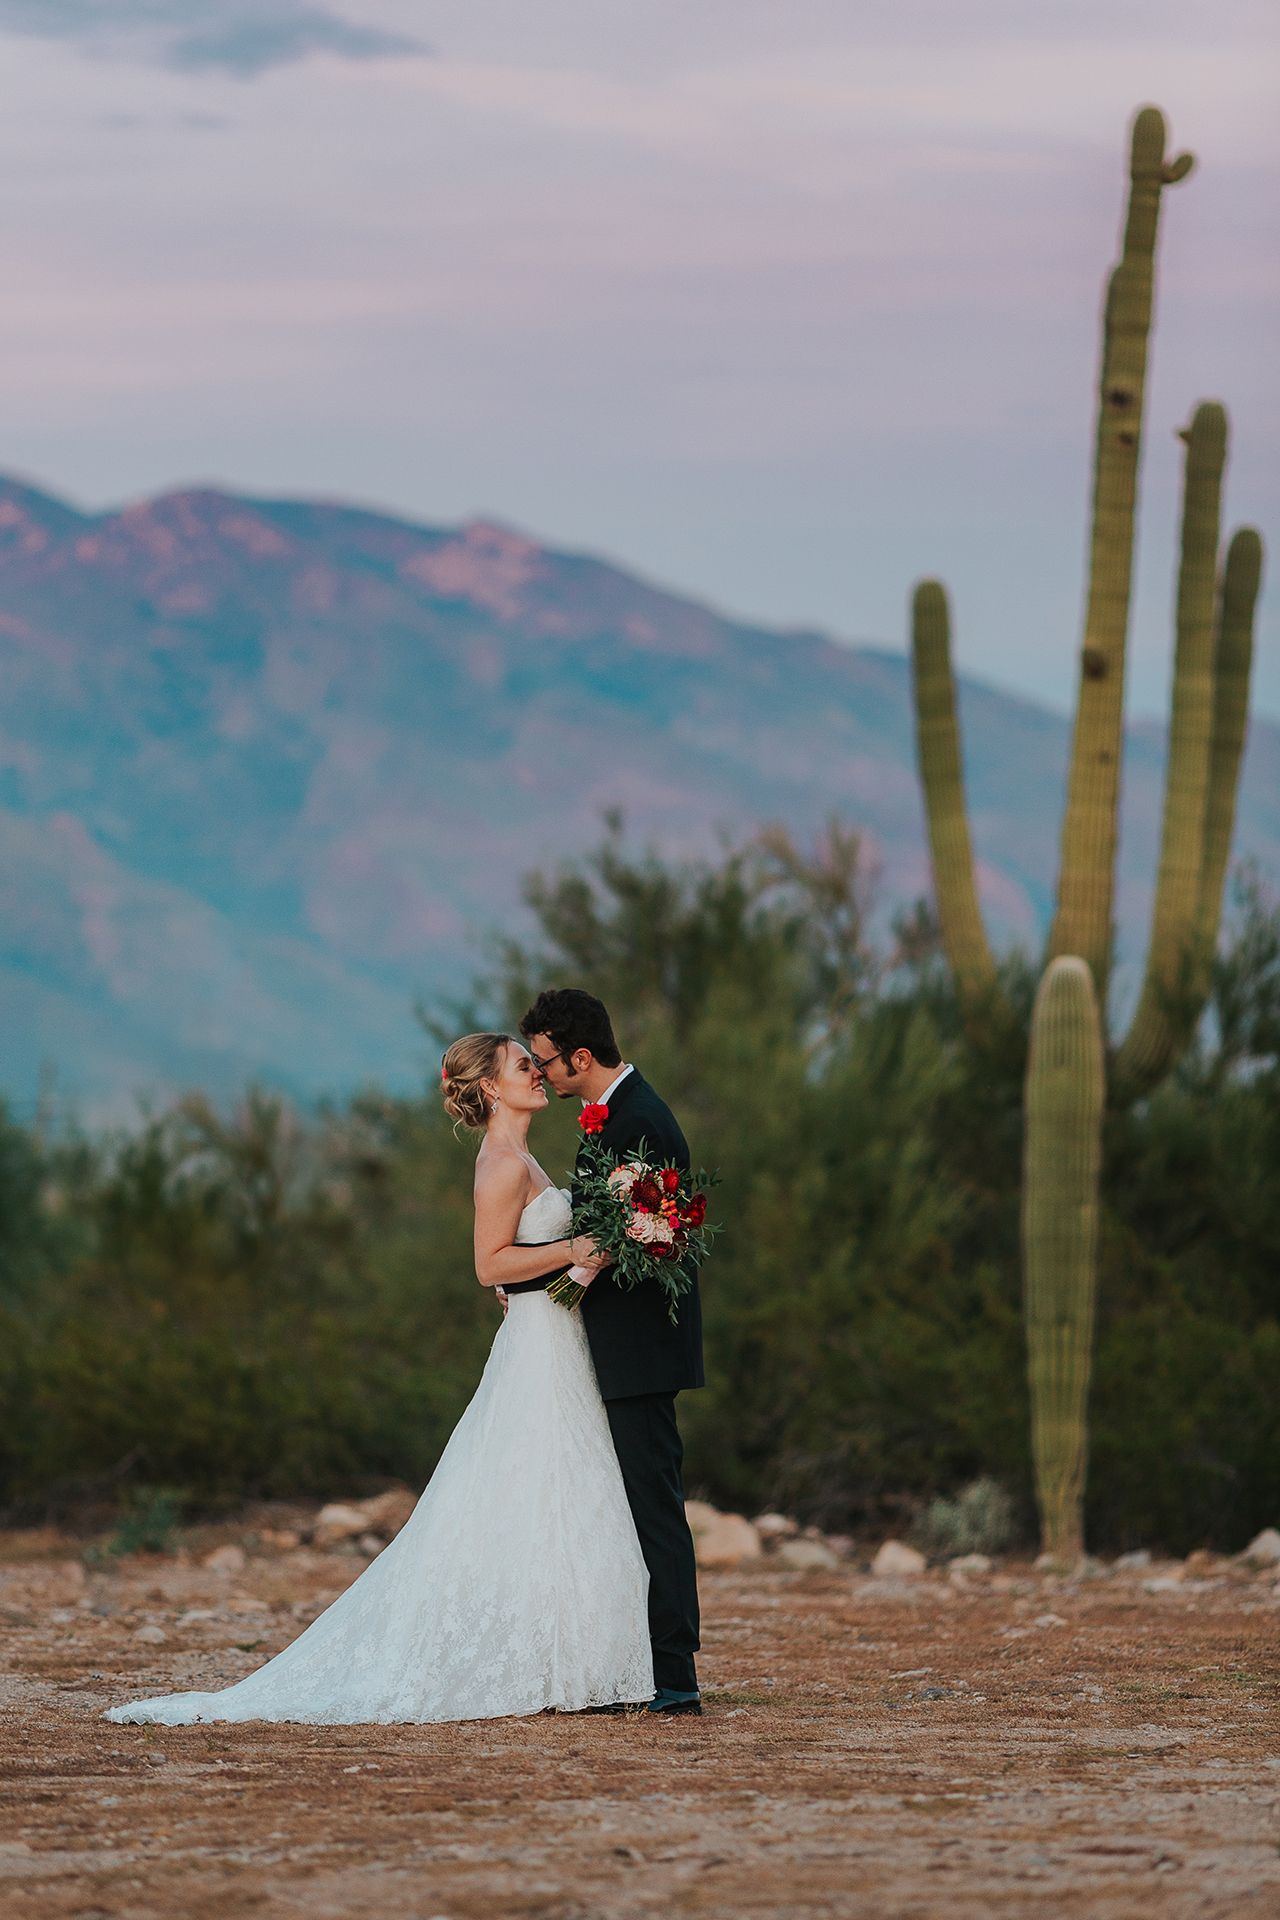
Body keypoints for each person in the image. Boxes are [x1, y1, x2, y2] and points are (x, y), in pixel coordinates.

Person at [103, 1032, 653, 1726]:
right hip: (539, 1344)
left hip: (555, 1334)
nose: (539, 1074)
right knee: (539, 1485)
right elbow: (489, 1264)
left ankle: (570, 1661)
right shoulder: (501, 1163)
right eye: (524, 1066)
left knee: (560, 1491)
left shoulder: (521, 1155)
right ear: (490, 1088)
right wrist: (575, 1246)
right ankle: (550, 1664)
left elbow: (516, 1257)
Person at [521, 988, 704, 1716]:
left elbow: (659, 1231)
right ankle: (631, 1663)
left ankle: (675, 1675)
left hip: (640, 1349)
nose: (542, 1075)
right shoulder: (611, 1114)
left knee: (653, 1505)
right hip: (611, 1344)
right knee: (619, 1506)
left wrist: (574, 1275)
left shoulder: (644, 1119)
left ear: (582, 1056)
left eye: (545, 1062)